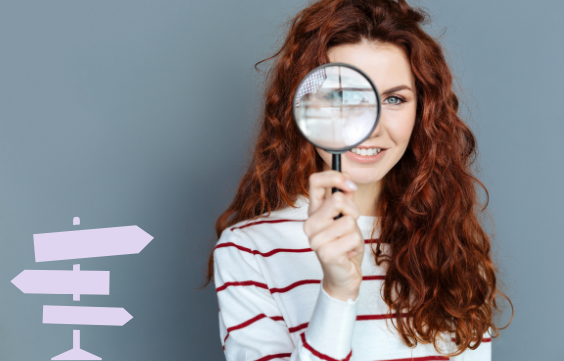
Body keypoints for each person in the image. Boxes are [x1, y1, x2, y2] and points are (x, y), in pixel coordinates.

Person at [201, 0, 513, 359]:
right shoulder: (249, 251)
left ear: (422, 112)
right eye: (342, 98)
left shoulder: (451, 243)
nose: (372, 126)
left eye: (394, 99)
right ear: (301, 106)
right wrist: (338, 291)